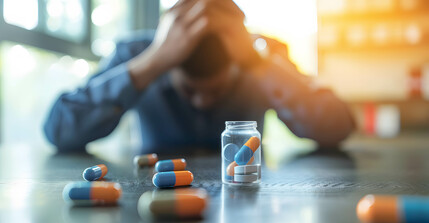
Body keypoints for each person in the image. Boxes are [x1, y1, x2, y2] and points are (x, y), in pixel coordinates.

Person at [44, 0, 354, 153]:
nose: (203, 102)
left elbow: (338, 125)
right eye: (190, 91)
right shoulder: (141, 55)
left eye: (218, 90)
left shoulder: (261, 55)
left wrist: (258, 65)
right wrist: (151, 62)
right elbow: (58, 129)